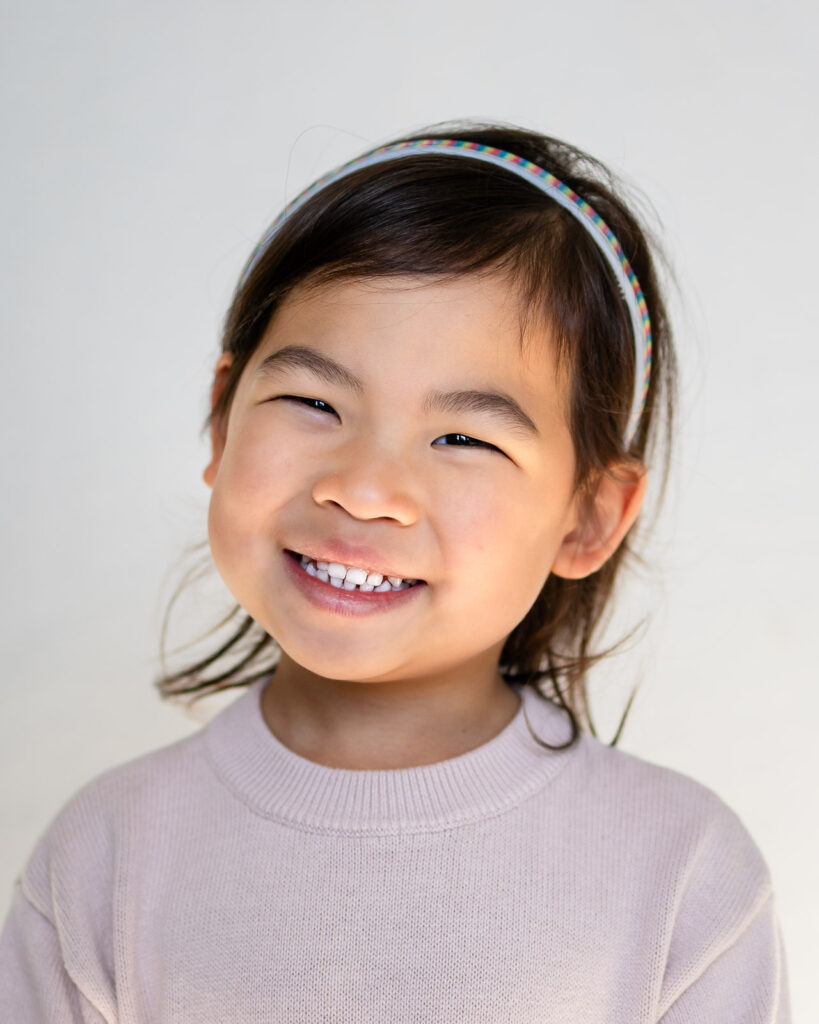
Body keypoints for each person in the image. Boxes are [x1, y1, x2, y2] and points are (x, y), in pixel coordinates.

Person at [0, 121, 791, 1022]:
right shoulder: (104, 857)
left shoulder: (682, 875)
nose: (366, 490)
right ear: (221, 421)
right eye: (313, 401)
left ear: (588, 516)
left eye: (463, 438)